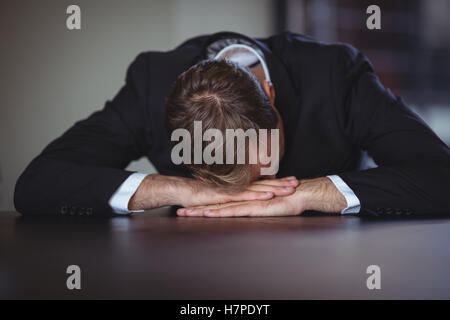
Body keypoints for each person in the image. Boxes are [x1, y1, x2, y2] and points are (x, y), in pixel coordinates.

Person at [14, 31, 450, 217]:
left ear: (272, 99)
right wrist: (175, 187)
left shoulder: (338, 75)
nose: (254, 188)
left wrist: (307, 194)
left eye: (264, 163)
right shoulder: (149, 87)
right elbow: (37, 184)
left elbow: (440, 175)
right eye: (222, 178)